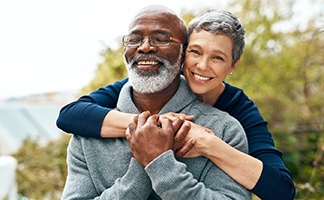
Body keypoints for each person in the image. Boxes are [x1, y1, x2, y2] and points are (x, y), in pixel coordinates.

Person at [57, 9, 296, 200]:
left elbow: (281, 191)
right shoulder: (89, 132)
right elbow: (69, 115)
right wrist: (152, 131)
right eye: (196, 52)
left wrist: (205, 144)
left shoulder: (232, 122)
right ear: (185, 55)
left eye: (218, 57)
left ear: (233, 66)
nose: (202, 66)